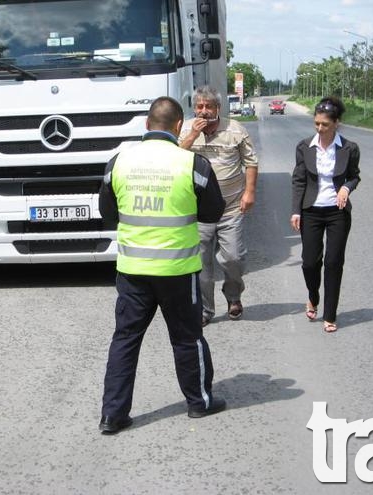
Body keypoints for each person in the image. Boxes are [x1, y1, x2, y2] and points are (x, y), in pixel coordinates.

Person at [98, 96, 227, 434]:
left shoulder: (118, 162)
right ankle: (199, 401)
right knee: (187, 339)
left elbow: (107, 214)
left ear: (146, 124)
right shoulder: (193, 164)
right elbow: (214, 212)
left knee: (125, 340)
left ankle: (113, 415)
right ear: (178, 126)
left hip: (132, 271)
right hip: (177, 271)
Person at [179, 86, 259, 327]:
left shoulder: (235, 130)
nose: (204, 112)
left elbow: (251, 162)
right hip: (198, 210)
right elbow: (172, 157)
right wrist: (192, 136)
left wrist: (250, 192)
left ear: (218, 108)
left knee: (233, 258)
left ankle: (233, 296)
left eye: (209, 106)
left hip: (230, 206)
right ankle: (205, 309)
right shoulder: (185, 129)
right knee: (201, 263)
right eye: (199, 107)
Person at [290, 96, 361, 333]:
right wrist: (295, 211)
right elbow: (299, 180)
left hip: (337, 212)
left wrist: (345, 188)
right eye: (317, 124)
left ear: (336, 123)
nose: (320, 128)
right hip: (311, 211)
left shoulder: (349, 148)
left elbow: (354, 176)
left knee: (333, 262)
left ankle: (330, 315)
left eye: (325, 125)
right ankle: (313, 296)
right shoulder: (304, 146)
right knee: (310, 263)